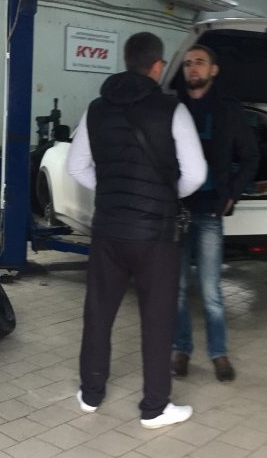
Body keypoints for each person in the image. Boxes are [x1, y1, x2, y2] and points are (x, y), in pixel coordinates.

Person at [68, 32, 207, 429]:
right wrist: (165, 197)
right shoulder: (173, 110)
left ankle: (91, 394)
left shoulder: (96, 109)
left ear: (126, 61)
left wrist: (114, 192)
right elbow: (196, 174)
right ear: (157, 66)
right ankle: (155, 408)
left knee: (98, 313)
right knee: (157, 319)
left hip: (108, 230)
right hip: (156, 235)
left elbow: (76, 167)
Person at [172, 44, 258, 383]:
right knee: (178, 289)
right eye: (187, 64)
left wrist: (232, 195)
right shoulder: (172, 107)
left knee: (211, 291)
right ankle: (181, 349)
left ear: (213, 70)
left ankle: (218, 353)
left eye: (200, 62)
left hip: (210, 213)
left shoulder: (228, 110)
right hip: (176, 212)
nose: (192, 68)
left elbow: (250, 156)